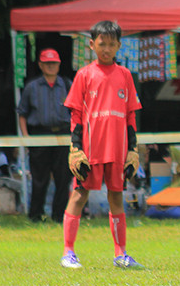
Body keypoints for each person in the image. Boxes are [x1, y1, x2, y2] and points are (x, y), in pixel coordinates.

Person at [61, 21, 143, 269]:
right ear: (92, 44)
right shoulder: (84, 74)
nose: (106, 49)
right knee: (79, 193)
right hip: (91, 147)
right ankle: (68, 252)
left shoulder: (125, 75)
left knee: (116, 196)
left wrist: (133, 150)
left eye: (111, 44)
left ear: (119, 45)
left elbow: (130, 116)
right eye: (101, 43)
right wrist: (76, 148)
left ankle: (121, 254)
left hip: (117, 149)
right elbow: (75, 115)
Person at [17, 48, 73, 222]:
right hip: (39, 135)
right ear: (40, 65)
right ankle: (35, 215)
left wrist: (75, 137)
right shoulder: (31, 87)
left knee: (63, 178)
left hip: (63, 135)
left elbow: (77, 112)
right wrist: (26, 138)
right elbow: (22, 113)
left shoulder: (67, 84)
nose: (51, 66)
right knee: (39, 178)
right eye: (47, 63)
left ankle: (59, 216)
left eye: (54, 63)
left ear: (59, 65)